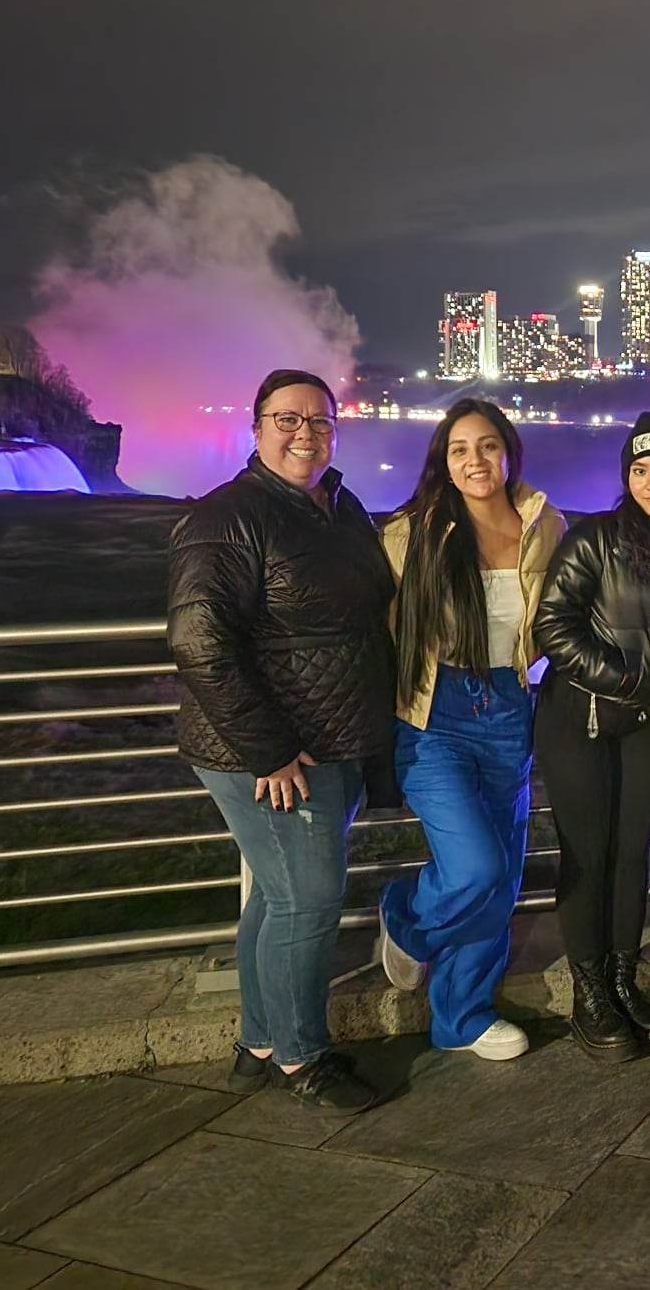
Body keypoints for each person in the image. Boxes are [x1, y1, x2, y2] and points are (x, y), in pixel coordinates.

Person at [167, 368, 395, 1112]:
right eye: (288, 419)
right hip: (273, 756)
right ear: (257, 426)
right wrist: (266, 749)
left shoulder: (338, 505)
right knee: (310, 903)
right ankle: (303, 1058)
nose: (306, 433)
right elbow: (199, 641)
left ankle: (259, 1042)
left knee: (276, 896)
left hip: (326, 743)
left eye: (320, 421)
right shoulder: (227, 517)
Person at [374, 398, 566, 1060]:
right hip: (433, 716)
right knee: (475, 864)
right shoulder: (411, 534)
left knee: (502, 874)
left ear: (508, 451)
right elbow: (375, 628)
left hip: (511, 706)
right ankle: (407, 917)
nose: (475, 460)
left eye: (487, 445)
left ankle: (462, 1016)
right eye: (460, 449)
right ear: (443, 462)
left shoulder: (546, 527)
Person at [533, 411, 650, 1061]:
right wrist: (632, 680)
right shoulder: (595, 539)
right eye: (640, 471)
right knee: (587, 856)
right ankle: (588, 995)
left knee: (633, 853)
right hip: (579, 721)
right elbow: (552, 629)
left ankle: (622, 979)